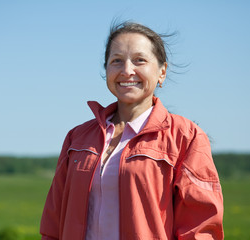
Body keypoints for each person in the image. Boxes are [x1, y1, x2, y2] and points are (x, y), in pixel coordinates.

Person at [40, 21, 224, 240]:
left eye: (140, 60)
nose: (127, 70)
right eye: (117, 61)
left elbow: (200, 228)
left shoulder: (187, 137)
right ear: (106, 69)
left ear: (162, 72)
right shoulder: (77, 137)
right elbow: (53, 222)